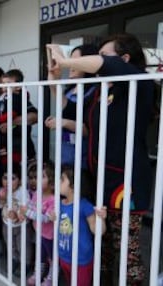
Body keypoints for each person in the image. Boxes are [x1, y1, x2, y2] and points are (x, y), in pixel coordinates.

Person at [47, 33, 155, 285]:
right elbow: (80, 121)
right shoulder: (99, 91)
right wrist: (54, 75)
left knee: (127, 249)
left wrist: (66, 62)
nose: (97, 60)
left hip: (125, 181)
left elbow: (111, 65)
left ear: (125, 59)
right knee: (103, 243)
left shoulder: (139, 81)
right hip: (101, 177)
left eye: (103, 54)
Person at [45, 44, 99, 169]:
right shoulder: (70, 89)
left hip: (84, 156)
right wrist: (53, 77)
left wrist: (64, 122)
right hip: (65, 152)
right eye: (69, 61)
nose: (70, 65)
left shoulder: (97, 90)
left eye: (75, 61)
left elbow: (90, 130)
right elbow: (68, 109)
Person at [54, 165, 107, 286]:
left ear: (73, 186)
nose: (58, 182)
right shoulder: (60, 203)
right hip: (64, 255)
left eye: (62, 179)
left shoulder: (85, 205)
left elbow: (98, 231)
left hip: (81, 259)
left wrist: (101, 218)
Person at [0, 163, 33, 276]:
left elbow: (26, 206)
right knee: (11, 245)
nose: (8, 182)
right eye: (5, 178)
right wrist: (2, 199)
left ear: (20, 181)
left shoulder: (22, 192)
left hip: (22, 225)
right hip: (7, 224)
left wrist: (17, 214)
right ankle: (15, 260)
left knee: (23, 246)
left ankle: (25, 263)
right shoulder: (2, 191)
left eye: (13, 178)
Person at [21, 161, 55, 286]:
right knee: (40, 255)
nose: (37, 180)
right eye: (36, 177)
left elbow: (47, 218)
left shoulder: (53, 200)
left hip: (50, 236)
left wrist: (28, 213)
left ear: (51, 181)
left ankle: (51, 278)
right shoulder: (36, 194)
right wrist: (23, 212)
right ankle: (38, 274)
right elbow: (31, 205)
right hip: (39, 232)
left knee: (52, 258)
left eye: (42, 177)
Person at [0, 69, 38, 164]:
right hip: (11, 136)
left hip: (20, 131)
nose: (4, 86)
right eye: (3, 83)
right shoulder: (6, 97)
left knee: (24, 143)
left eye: (8, 83)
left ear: (18, 87)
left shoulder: (17, 97)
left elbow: (13, 113)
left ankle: (30, 156)